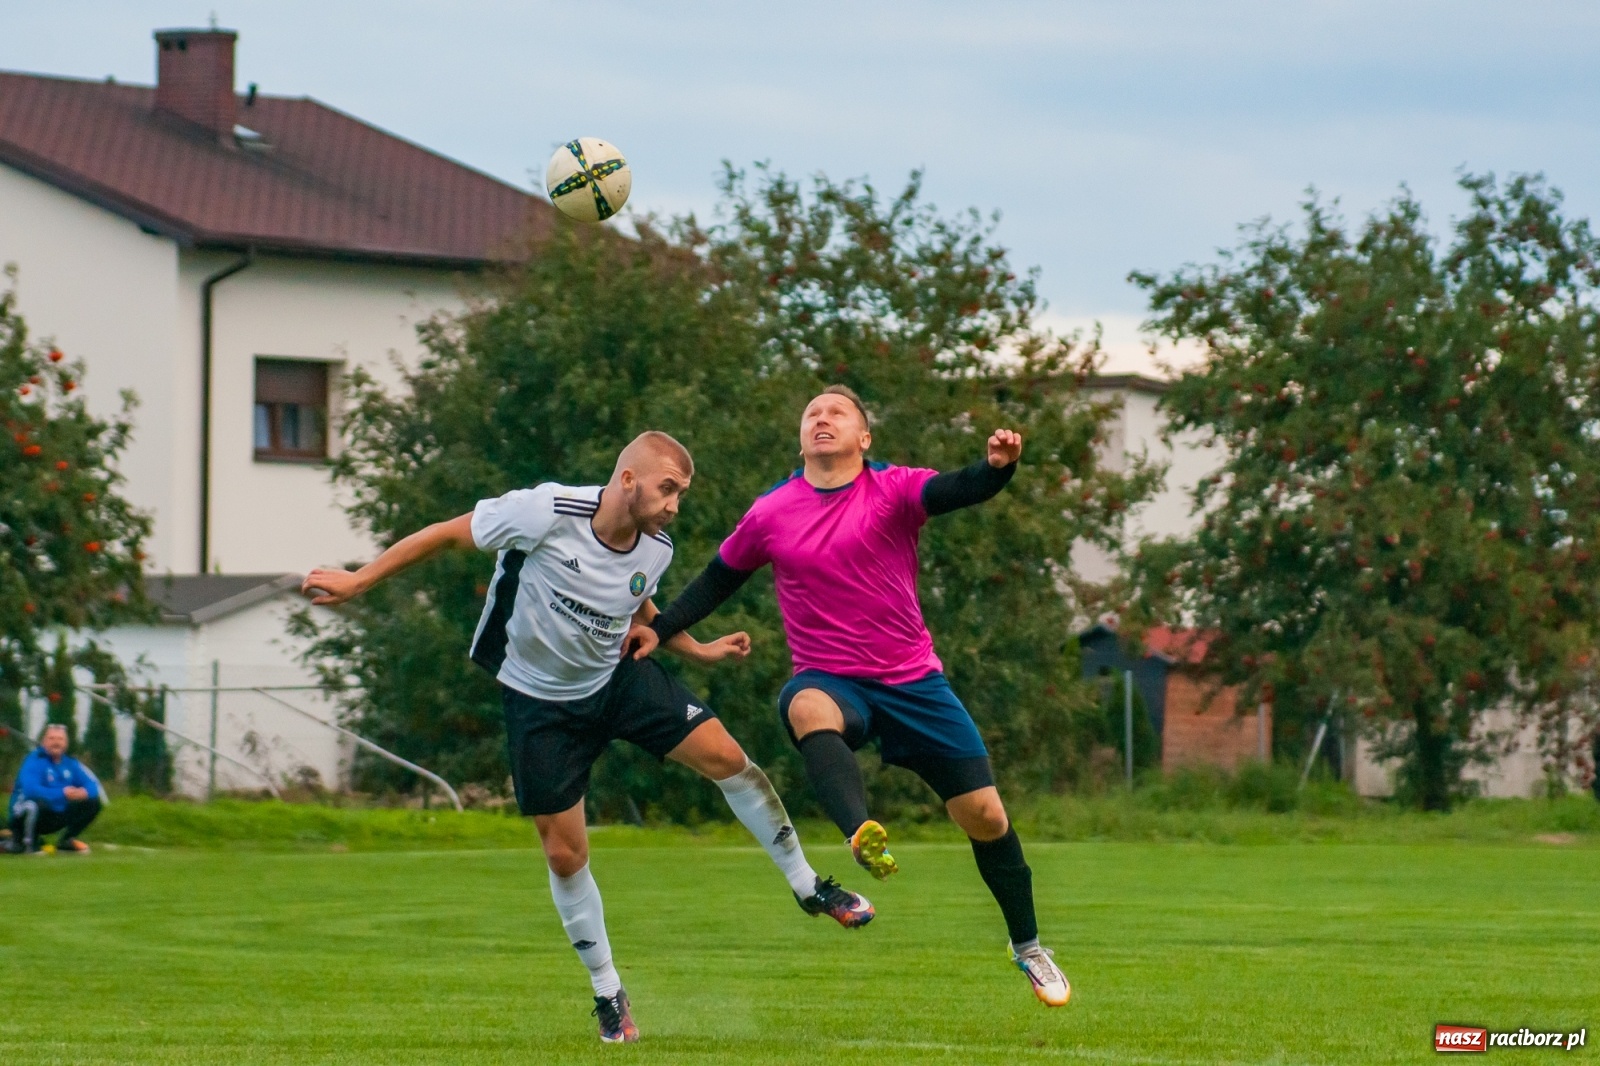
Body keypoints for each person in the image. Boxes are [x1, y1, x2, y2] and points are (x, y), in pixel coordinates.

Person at [302, 431, 872, 1045]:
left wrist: (698, 649)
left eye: (682, 492)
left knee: (728, 759)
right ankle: (607, 990)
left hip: (618, 678)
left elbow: (639, 606)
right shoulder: (545, 510)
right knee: (564, 855)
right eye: (668, 488)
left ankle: (808, 885)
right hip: (539, 702)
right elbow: (446, 533)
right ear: (628, 479)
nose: (676, 503)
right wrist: (360, 581)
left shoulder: (656, 547)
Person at [629, 386, 1071, 1008]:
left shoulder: (892, 489)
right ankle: (858, 829)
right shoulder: (772, 511)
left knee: (987, 819)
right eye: (811, 413)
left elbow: (957, 488)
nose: (821, 418)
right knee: (805, 706)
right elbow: (715, 582)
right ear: (802, 437)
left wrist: (998, 468)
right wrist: (660, 628)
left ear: (864, 438)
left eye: (836, 412)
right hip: (832, 681)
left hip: (915, 682)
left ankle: (1028, 948)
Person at [6, 723, 103, 855]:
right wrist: (62, 793)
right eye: (52, 739)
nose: (56, 742)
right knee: (36, 803)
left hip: (54, 814)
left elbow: (92, 785)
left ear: (66, 743)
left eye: (60, 739)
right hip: (23, 814)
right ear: (44, 742)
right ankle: (28, 843)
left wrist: (83, 792)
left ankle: (66, 841)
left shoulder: (70, 763)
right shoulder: (34, 761)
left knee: (92, 802)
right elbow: (31, 791)